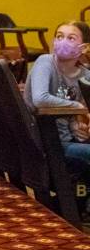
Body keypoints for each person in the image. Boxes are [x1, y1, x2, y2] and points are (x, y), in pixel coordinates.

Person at [24, 22, 90, 176]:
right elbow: (40, 99)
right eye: (59, 36)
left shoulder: (85, 76)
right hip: (47, 142)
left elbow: (82, 115)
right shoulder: (45, 61)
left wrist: (80, 125)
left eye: (71, 38)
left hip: (72, 138)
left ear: (84, 47)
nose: (62, 41)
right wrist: (77, 107)